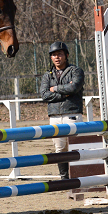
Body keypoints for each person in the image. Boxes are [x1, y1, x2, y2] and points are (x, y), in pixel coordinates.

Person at [40, 41, 85, 180]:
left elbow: (74, 88)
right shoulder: (47, 75)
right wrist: (64, 92)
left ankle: (78, 177)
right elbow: (44, 95)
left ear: (66, 55)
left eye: (59, 54)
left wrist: (55, 89)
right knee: (59, 149)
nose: (57, 57)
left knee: (75, 148)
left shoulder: (76, 71)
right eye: (54, 55)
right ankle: (64, 178)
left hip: (72, 114)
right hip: (54, 116)